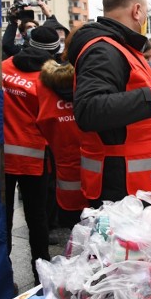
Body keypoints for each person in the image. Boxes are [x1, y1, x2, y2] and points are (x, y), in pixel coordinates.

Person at [66, 0, 151, 206]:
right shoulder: (104, 50)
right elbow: (89, 109)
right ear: (136, 11)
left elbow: (128, 96)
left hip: (138, 183)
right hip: (123, 185)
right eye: (145, 12)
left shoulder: (122, 48)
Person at [2, 26, 60, 284]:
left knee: (3, 221)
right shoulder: (48, 81)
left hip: (2, 157)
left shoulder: (3, 67)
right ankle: (42, 278)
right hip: (34, 157)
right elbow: (53, 121)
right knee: (37, 221)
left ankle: (4, 277)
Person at [36, 58, 89, 228]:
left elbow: (42, 122)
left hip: (59, 159)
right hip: (91, 161)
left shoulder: (44, 86)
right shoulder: (89, 82)